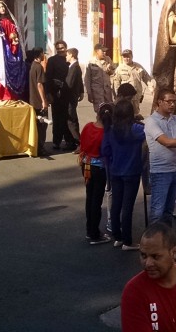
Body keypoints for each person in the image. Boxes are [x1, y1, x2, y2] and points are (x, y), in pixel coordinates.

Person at [101, 99, 146, 250]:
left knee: (116, 205)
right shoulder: (136, 129)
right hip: (132, 171)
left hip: (115, 170)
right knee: (128, 207)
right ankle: (127, 240)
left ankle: (118, 237)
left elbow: (105, 150)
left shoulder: (111, 129)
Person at [145, 87, 176, 224]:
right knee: (157, 211)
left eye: (174, 101)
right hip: (160, 172)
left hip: (175, 170)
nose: (172, 104)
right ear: (159, 102)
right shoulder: (151, 122)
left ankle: (166, 239)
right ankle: (154, 241)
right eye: (169, 101)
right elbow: (167, 142)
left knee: (169, 210)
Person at [79, 104, 112, 245]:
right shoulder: (107, 133)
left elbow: (82, 144)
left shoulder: (88, 127)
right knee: (96, 201)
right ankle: (94, 233)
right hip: (99, 168)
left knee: (90, 197)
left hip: (86, 164)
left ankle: (89, 229)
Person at [45, 40, 71, 150]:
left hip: (68, 93)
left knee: (69, 118)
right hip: (56, 94)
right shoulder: (52, 60)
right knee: (57, 118)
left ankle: (69, 140)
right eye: (58, 48)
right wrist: (48, 93)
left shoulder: (69, 59)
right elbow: (48, 77)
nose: (60, 49)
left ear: (66, 47)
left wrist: (80, 91)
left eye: (62, 47)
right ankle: (56, 141)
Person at [113, 49, 153, 116]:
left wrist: (152, 89)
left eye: (128, 56)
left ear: (132, 56)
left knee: (136, 113)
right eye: (124, 57)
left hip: (136, 96)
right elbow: (116, 84)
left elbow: (147, 78)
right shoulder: (119, 69)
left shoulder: (138, 67)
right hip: (125, 97)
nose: (126, 58)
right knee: (125, 113)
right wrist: (118, 96)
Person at [62, 47, 84, 152]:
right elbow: (80, 81)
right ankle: (71, 141)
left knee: (71, 120)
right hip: (71, 97)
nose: (66, 56)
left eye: (67, 54)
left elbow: (69, 83)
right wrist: (81, 91)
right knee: (69, 119)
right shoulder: (73, 66)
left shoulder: (74, 67)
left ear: (71, 55)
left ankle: (79, 142)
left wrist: (60, 84)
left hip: (70, 97)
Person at [27, 48, 49, 156]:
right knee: (42, 126)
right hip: (38, 101)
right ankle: (40, 148)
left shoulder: (32, 66)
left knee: (36, 125)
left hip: (32, 100)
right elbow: (40, 85)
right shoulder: (38, 67)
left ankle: (36, 146)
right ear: (40, 55)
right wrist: (44, 101)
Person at [85, 43, 115, 113]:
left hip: (107, 91)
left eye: (105, 51)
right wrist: (89, 93)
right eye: (102, 51)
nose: (104, 53)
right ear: (96, 51)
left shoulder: (108, 59)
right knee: (100, 112)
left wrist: (110, 71)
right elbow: (87, 79)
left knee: (110, 110)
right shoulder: (91, 62)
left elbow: (114, 73)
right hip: (97, 92)